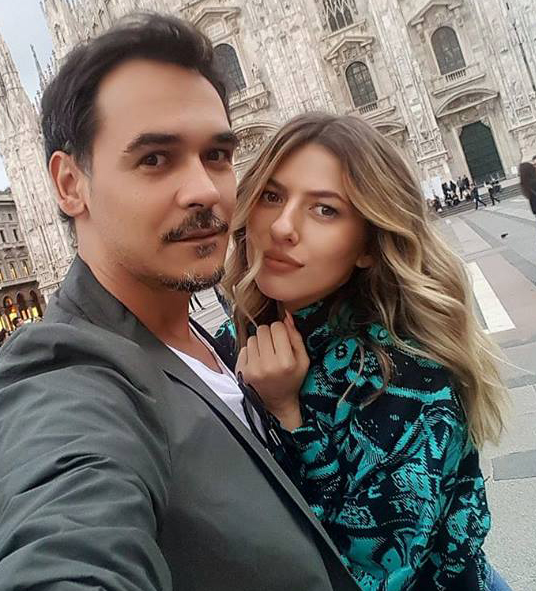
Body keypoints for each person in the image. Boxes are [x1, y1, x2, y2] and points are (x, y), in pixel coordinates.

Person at [0, 14, 356, 591]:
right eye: (154, 158)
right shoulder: (64, 373)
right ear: (70, 184)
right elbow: (64, 535)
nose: (205, 189)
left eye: (218, 155)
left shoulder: (209, 337)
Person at [218, 113, 511, 590]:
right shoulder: (234, 340)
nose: (283, 227)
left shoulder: (410, 379)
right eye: (271, 196)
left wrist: (288, 416)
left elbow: (364, 576)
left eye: (325, 210)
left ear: (368, 245)